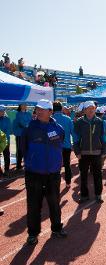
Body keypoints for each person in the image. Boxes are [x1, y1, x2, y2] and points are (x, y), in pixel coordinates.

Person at [21, 99, 67, 245]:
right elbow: (24, 149)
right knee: (34, 205)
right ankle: (33, 233)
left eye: (43, 109)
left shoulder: (58, 128)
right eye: (37, 109)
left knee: (54, 203)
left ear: (50, 112)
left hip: (53, 173)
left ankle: (56, 229)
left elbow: (61, 142)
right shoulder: (29, 128)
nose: (39, 111)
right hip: (34, 173)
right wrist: (31, 162)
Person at [74, 101, 106, 204]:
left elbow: (103, 137)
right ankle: (84, 195)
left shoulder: (100, 121)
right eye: (89, 108)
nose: (91, 109)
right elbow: (76, 138)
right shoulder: (79, 122)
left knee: (98, 175)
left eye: (93, 108)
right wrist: (77, 152)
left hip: (97, 153)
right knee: (83, 176)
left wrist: (104, 150)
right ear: (85, 110)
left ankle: (98, 195)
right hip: (83, 153)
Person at [52, 101, 74, 186]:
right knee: (67, 164)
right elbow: (73, 132)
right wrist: (74, 143)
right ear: (61, 109)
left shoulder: (50, 119)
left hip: (53, 147)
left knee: (54, 165)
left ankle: (54, 184)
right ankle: (68, 182)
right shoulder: (68, 119)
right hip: (66, 145)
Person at [13, 103, 32, 170]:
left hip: (27, 134)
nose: (25, 106)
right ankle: (18, 165)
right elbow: (21, 123)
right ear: (20, 106)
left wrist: (27, 125)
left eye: (25, 104)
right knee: (19, 149)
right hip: (19, 134)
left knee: (27, 148)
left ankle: (26, 163)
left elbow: (30, 122)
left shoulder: (29, 113)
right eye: (23, 105)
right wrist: (27, 125)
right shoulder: (18, 114)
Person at [0, 105, 11, 177]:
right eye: (1, 111)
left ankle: (7, 170)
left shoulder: (7, 119)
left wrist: (3, 139)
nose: (2, 112)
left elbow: (8, 131)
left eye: (3, 111)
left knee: (6, 156)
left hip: (5, 141)